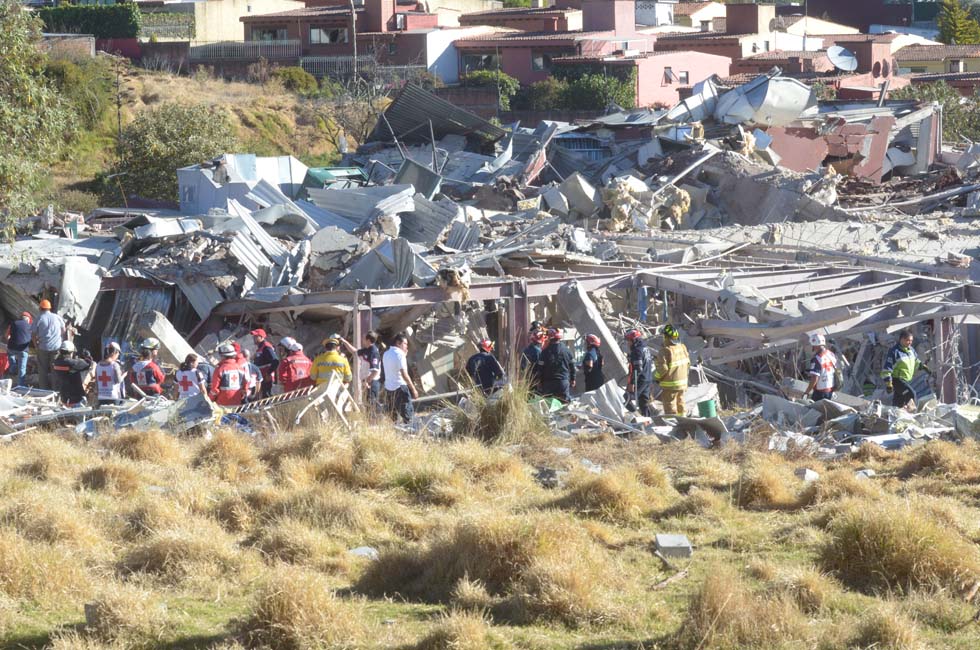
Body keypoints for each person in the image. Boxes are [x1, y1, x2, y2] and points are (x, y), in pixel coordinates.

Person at [881, 329, 929, 410]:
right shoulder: (895, 352)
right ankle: (913, 413)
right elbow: (887, 368)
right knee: (910, 394)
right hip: (897, 380)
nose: (910, 343)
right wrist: (889, 383)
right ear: (901, 340)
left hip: (906, 379)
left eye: (911, 341)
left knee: (899, 401)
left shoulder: (911, 350)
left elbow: (916, 360)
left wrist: (923, 366)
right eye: (907, 340)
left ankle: (895, 414)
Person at [654, 324, 690, 416]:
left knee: (670, 405)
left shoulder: (665, 351)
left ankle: (672, 423)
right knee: (680, 402)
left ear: (666, 337)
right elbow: (688, 364)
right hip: (683, 383)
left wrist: (656, 378)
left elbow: (663, 369)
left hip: (670, 385)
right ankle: (683, 421)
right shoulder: (683, 347)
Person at [382, 333, 418, 423]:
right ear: (398, 343)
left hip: (389, 388)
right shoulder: (400, 355)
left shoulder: (386, 354)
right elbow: (404, 374)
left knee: (392, 416)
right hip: (400, 387)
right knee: (408, 416)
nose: (406, 346)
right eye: (405, 344)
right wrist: (413, 389)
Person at [340, 331, 382, 405]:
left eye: (363, 338)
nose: (362, 340)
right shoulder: (366, 350)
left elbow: (375, 371)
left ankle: (378, 416)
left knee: (372, 406)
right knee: (368, 405)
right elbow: (354, 352)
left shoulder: (373, 352)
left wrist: (367, 381)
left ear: (368, 340)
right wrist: (344, 341)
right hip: (367, 382)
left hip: (372, 383)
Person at [32, 299, 66, 390]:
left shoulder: (39, 318)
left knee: (42, 370)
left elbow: (33, 334)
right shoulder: (57, 317)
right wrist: (57, 337)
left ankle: (43, 390)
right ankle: (55, 390)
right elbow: (64, 330)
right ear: (49, 308)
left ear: (40, 308)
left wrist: (36, 346)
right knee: (55, 369)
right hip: (56, 347)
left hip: (43, 348)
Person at [538, 328, 575, 403]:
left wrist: (539, 381)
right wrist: (573, 379)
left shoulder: (544, 352)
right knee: (565, 406)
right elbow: (572, 366)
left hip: (548, 384)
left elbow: (540, 369)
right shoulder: (567, 351)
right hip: (563, 383)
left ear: (550, 337)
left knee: (549, 407)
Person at [52, 341, 92, 406]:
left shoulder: (57, 362)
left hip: (64, 397)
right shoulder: (72, 363)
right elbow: (87, 364)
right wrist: (87, 356)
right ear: (70, 352)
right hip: (76, 398)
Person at [625, 328, 654, 416]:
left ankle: (635, 417)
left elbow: (637, 369)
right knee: (643, 402)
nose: (628, 343)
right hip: (648, 378)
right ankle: (647, 420)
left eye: (629, 341)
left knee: (628, 398)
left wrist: (632, 384)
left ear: (634, 340)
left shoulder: (637, 351)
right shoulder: (645, 348)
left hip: (640, 380)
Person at [803, 332, 838, 403]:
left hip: (820, 392)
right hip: (830, 390)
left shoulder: (817, 359)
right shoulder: (831, 354)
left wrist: (806, 392)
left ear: (815, 345)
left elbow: (815, 378)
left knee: (814, 411)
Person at [5, 312, 32, 387]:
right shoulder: (30, 326)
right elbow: (33, 337)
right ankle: (20, 386)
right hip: (23, 349)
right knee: (22, 368)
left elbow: (6, 336)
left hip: (12, 347)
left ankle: (12, 370)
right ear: (28, 319)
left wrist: (10, 341)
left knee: (11, 355)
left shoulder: (13, 323)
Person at [251, 328, 278, 398]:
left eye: (256, 336)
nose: (254, 338)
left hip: (267, 378)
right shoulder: (260, 348)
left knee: (267, 396)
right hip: (261, 377)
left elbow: (275, 361)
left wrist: (268, 373)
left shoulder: (266, 347)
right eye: (254, 336)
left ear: (262, 337)